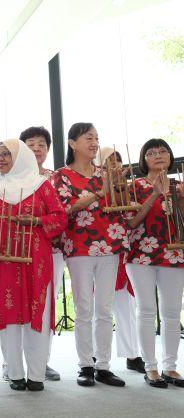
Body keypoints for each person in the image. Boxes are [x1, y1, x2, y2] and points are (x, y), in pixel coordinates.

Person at [0, 139, 66, 391]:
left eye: (6, 154)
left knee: (36, 312)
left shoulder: (41, 185)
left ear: (20, 156)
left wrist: (38, 220)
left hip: (35, 259)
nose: (1, 159)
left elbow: (60, 217)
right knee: (9, 313)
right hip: (3, 260)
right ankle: (15, 373)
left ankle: (37, 374)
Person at [51, 122, 127, 387]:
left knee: (105, 309)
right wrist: (98, 193)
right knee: (84, 308)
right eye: (88, 138)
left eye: (96, 138)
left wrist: (115, 187)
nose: (94, 143)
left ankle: (104, 366)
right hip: (79, 245)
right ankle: (86, 365)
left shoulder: (107, 172)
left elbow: (120, 203)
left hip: (110, 243)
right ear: (72, 143)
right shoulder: (61, 175)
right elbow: (64, 209)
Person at [125, 138, 184, 388]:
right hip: (141, 253)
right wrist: (155, 195)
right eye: (151, 152)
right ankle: (150, 367)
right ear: (144, 160)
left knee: (172, 313)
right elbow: (130, 223)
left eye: (163, 151)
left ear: (170, 157)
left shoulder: (180, 186)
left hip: (174, 253)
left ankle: (170, 366)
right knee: (147, 310)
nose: (158, 155)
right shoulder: (134, 187)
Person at [96, 148, 144, 374]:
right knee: (98, 308)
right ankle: (94, 355)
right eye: (109, 162)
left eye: (118, 161)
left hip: (124, 251)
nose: (114, 165)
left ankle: (132, 354)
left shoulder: (128, 186)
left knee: (126, 304)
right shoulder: (95, 184)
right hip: (98, 251)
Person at [21, 126, 62, 381]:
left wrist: (37, 221)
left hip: (49, 249)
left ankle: (42, 361)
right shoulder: (9, 175)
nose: (36, 149)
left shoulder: (54, 178)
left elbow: (61, 213)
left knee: (45, 304)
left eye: (42, 145)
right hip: (15, 251)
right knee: (18, 305)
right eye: (30, 144)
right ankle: (10, 362)